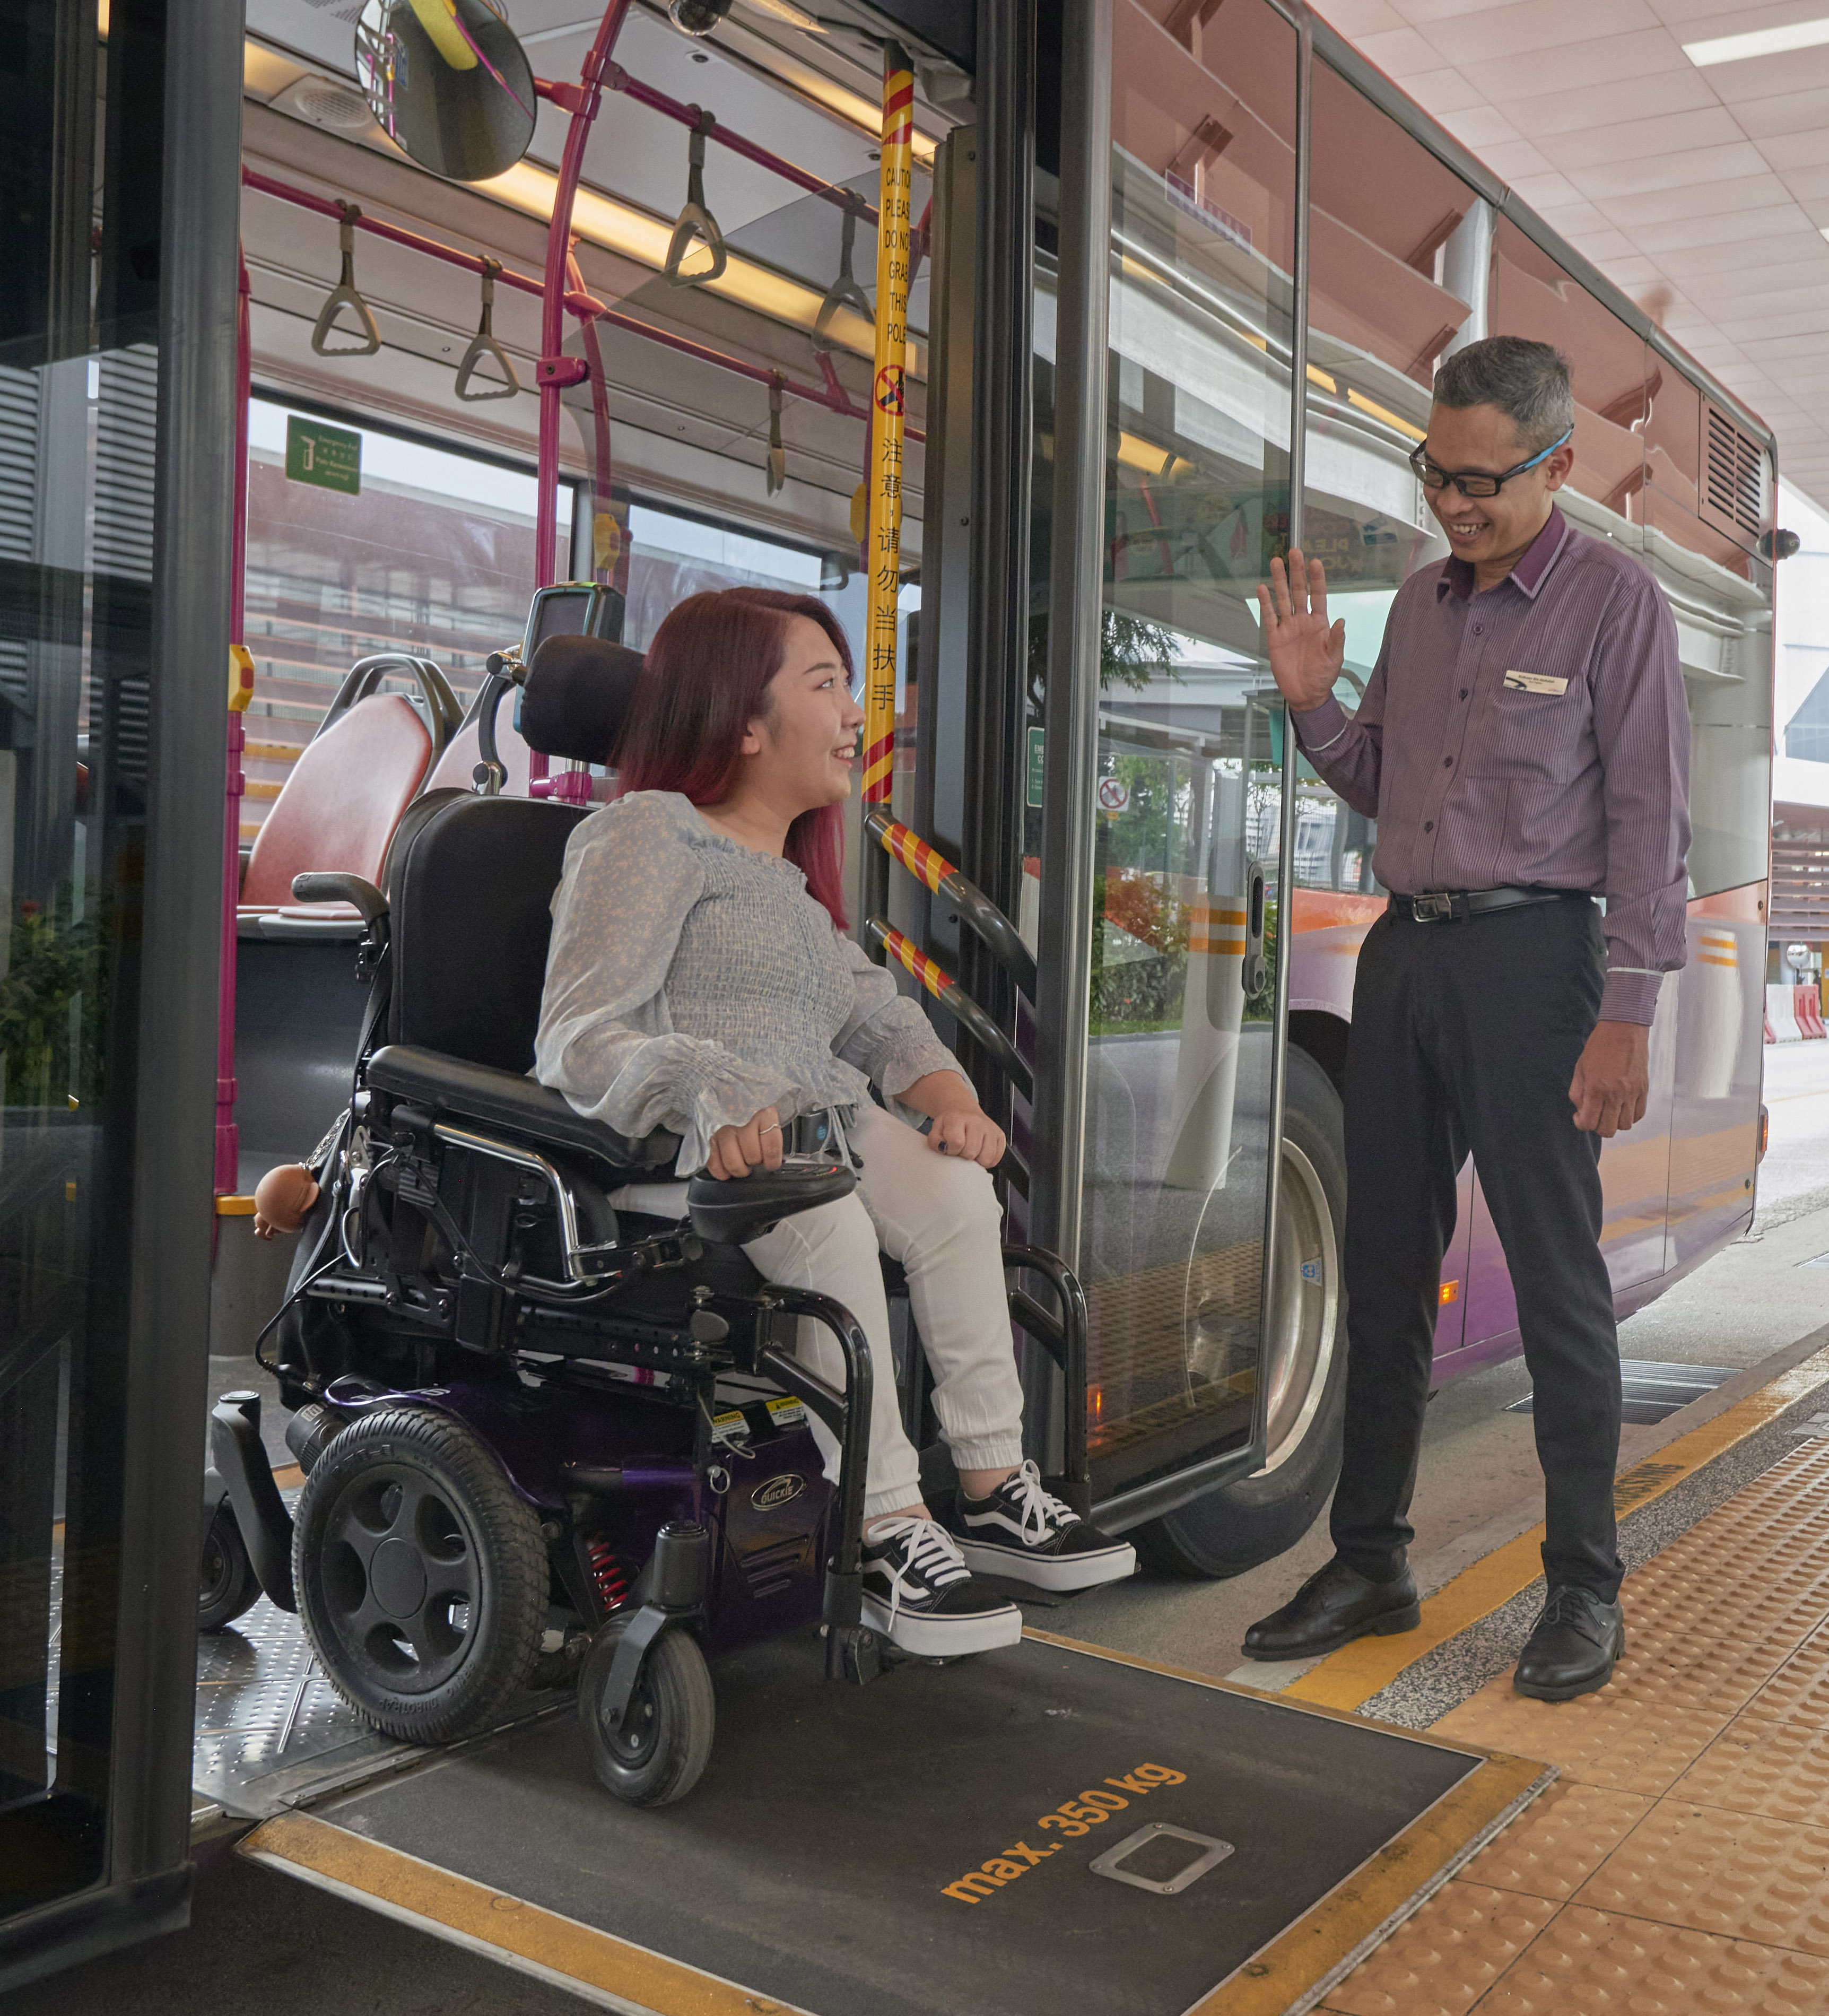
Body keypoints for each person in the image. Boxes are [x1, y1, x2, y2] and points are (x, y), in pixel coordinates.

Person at [533, 587, 1135, 1657]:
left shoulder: (792, 895)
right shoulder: (645, 836)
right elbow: (576, 1034)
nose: (854, 711)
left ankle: (994, 1484)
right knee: (828, 1215)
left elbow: (875, 1014)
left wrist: (946, 1094)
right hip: (687, 1162)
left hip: (814, 1145)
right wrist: (710, 1086)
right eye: (827, 684)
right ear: (743, 720)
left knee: (957, 1190)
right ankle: (888, 1525)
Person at [1242, 336, 1689, 1701]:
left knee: (1559, 1285)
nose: (1453, 505)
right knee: (1384, 1270)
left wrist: (1626, 1009)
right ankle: (1369, 1560)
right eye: (1437, 475)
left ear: (1556, 464)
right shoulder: (1424, 604)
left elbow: (1647, 819)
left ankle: (1582, 1585)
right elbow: (1385, 781)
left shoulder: (1615, 604)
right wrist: (1315, 704)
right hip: (1408, 960)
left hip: (1539, 966)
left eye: (1483, 482)